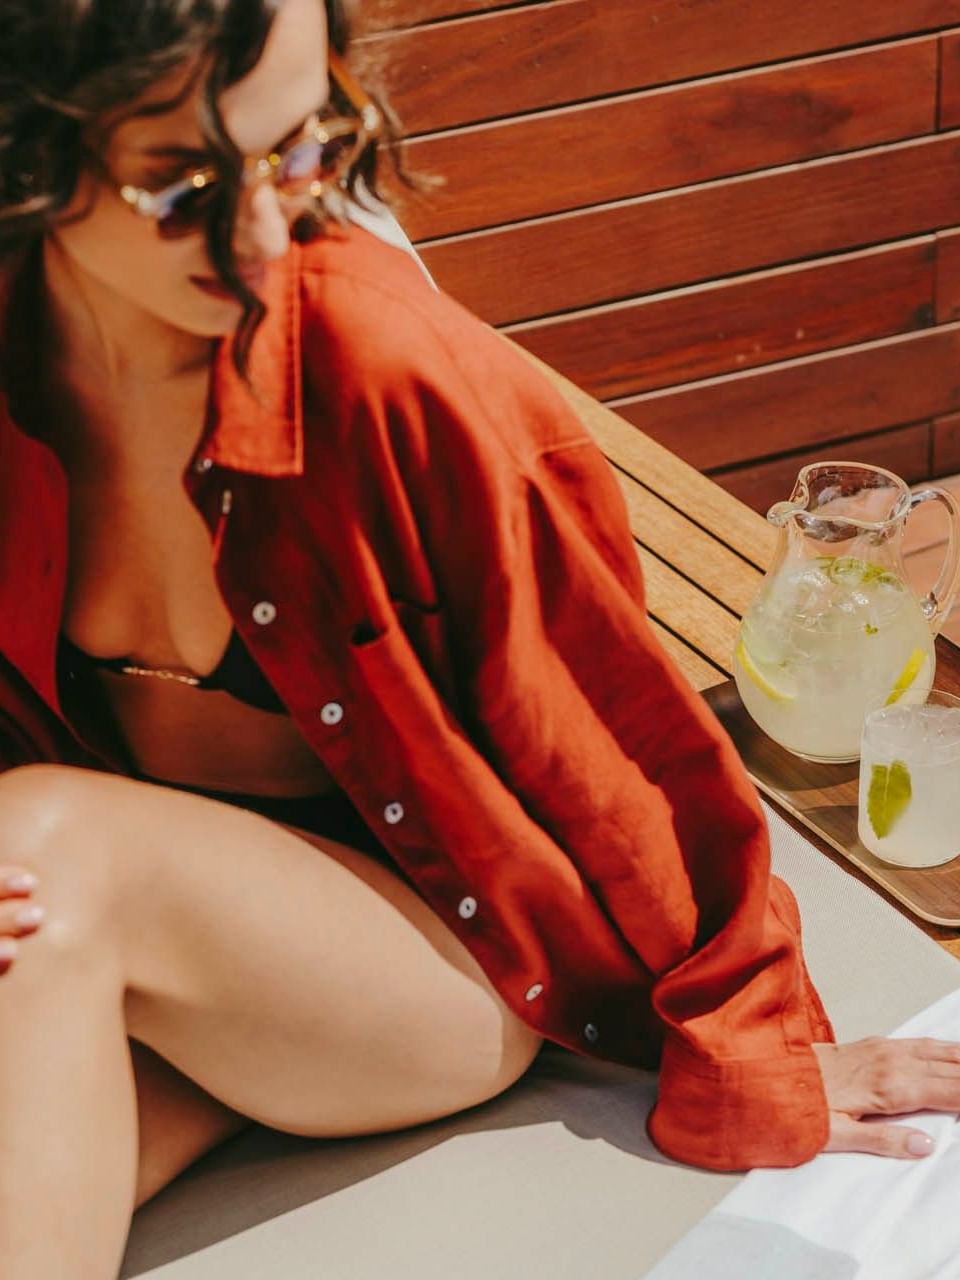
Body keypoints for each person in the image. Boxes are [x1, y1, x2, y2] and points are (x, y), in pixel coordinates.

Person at [1, 1, 960, 1274]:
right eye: (179, 189)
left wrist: (756, 1049)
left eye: (300, 146)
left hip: (432, 963)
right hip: (182, 958)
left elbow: (619, 746)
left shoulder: (389, 370)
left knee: (47, 852)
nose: (260, 229)